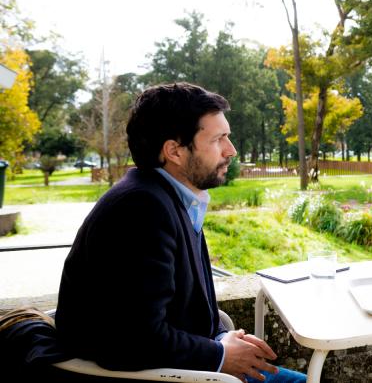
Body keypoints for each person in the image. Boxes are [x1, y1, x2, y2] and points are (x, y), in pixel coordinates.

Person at [56, 83, 305, 383]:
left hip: (182, 360)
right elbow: (134, 339)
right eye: (218, 139)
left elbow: (180, 306)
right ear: (174, 151)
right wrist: (221, 354)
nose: (231, 150)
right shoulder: (141, 209)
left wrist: (222, 338)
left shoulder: (170, 197)